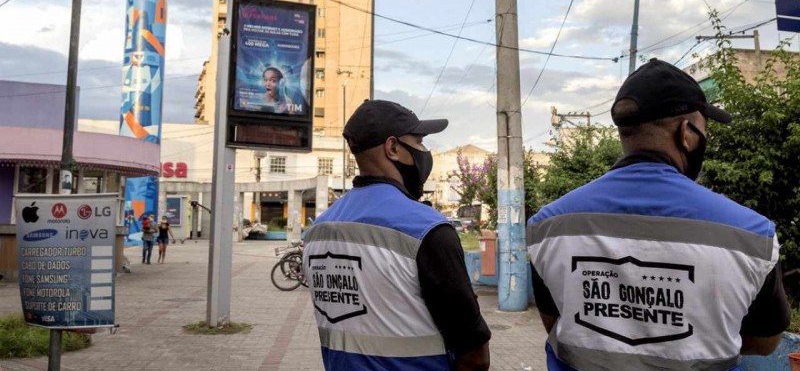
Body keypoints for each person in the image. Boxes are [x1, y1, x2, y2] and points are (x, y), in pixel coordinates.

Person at [526, 58, 790, 370]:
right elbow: (765, 341)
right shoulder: (752, 235)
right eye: (704, 130)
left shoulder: (547, 226)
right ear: (687, 133)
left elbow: (553, 321)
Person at [303, 100, 491, 371]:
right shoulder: (427, 230)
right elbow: (475, 356)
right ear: (393, 148)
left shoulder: (317, 231)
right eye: (419, 142)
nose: (425, 152)